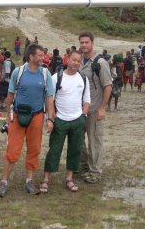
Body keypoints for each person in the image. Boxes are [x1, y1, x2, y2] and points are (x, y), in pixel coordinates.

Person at [0, 44, 55, 198]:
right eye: (40, 55)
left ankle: (29, 181)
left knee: (34, 149)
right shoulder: (18, 72)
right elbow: (10, 96)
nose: (43, 58)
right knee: (13, 150)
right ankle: (3, 182)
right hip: (18, 115)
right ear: (31, 56)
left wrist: (50, 118)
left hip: (37, 115)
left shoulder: (46, 74)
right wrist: (8, 116)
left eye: (43, 55)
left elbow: (49, 98)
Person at [40, 50, 91, 193]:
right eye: (73, 60)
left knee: (75, 151)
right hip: (60, 120)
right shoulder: (57, 78)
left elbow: (87, 99)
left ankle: (69, 178)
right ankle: (45, 179)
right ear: (68, 60)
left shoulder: (83, 78)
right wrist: (51, 117)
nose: (76, 63)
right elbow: (50, 99)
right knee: (54, 150)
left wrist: (83, 116)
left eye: (78, 61)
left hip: (77, 120)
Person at [78, 31, 113, 184]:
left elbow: (108, 86)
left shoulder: (100, 63)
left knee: (94, 141)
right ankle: (83, 167)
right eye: (82, 42)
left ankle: (95, 171)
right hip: (79, 110)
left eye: (86, 42)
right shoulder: (78, 61)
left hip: (94, 109)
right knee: (78, 140)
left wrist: (102, 108)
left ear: (92, 43)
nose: (84, 45)